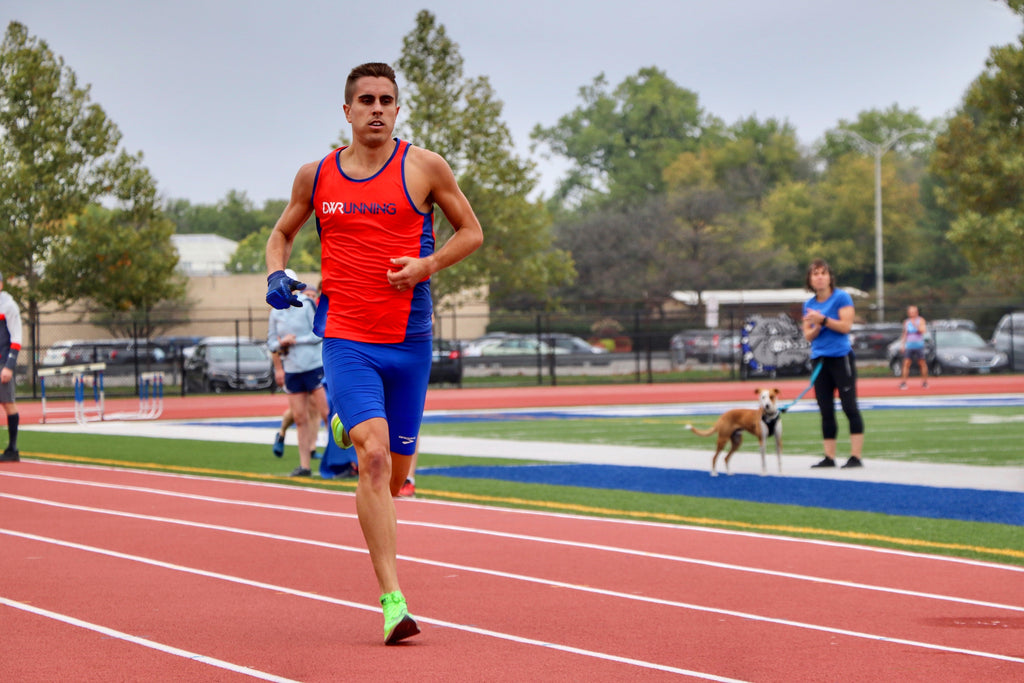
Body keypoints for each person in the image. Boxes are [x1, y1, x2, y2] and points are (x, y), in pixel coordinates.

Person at [265, 62, 483, 644]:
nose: (378, 109)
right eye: (366, 100)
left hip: (409, 341)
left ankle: (346, 422)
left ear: (397, 107)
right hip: (345, 335)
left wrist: (427, 266)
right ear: (347, 110)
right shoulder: (317, 175)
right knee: (375, 458)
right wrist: (276, 274)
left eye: (387, 99)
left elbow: (471, 231)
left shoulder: (424, 166)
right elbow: (281, 233)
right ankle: (393, 601)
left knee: (397, 479)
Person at [801, 258, 865, 469]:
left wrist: (824, 320)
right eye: (815, 274)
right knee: (825, 409)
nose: (819, 277)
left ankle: (855, 456)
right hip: (820, 360)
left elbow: (846, 326)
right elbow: (808, 335)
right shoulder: (809, 305)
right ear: (810, 280)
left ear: (829, 277)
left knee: (849, 406)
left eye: (823, 273)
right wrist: (817, 326)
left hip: (840, 357)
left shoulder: (841, 297)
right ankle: (829, 457)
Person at [267, 272, 329, 477]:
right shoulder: (276, 311)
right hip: (293, 368)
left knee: (326, 413)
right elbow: (271, 342)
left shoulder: (306, 303)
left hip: (312, 364)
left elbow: (318, 332)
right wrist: (282, 343)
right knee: (300, 418)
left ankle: (342, 458)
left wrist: (296, 340)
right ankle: (305, 465)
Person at [0, 272, 22, 463]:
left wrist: (9, 365)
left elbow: (16, 338)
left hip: (2, 362)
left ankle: (12, 449)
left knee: (7, 403)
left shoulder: (8, 306)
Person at [899, 305, 929, 390]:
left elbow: (923, 330)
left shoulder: (921, 320)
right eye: (910, 312)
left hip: (919, 345)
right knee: (906, 363)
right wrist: (902, 345)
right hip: (909, 345)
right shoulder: (906, 322)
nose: (911, 313)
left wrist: (915, 324)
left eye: (913, 312)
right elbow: (905, 334)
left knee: (922, 363)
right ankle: (904, 383)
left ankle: (925, 382)